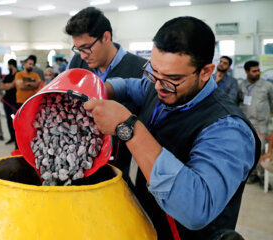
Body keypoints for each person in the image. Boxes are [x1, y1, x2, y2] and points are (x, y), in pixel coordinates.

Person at [83, 16, 260, 239]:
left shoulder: (228, 129)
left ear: (206, 72)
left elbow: (196, 209)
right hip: (147, 223)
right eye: (154, 71)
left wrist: (127, 127)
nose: (158, 85)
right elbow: (131, 86)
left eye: (172, 78)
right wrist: (103, 89)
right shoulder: (160, 85)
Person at [65, 6, 146, 181]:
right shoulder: (76, 62)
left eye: (86, 47)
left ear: (106, 37)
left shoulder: (140, 70)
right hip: (78, 159)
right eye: (78, 48)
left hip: (121, 162)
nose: (83, 55)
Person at [237, 60, 273, 186]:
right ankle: (251, 175)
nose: (257, 73)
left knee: (261, 150)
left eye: (258, 70)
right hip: (246, 124)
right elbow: (237, 102)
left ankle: (262, 176)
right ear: (247, 72)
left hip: (262, 124)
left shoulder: (267, 86)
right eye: (254, 71)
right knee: (248, 150)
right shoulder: (241, 85)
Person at [0, 59, 18, 145]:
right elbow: (2, 86)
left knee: (14, 120)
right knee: (8, 120)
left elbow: (10, 86)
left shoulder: (18, 75)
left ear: (11, 65)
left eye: (8, 65)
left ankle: (16, 139)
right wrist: (9, 85)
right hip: (6, 101)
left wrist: (8, 85)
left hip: (14, 102)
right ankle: (12, 137)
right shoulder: (7, 76)